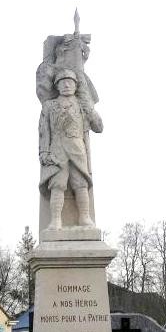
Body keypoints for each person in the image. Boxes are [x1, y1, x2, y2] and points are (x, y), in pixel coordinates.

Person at [38, 68, 103, 230]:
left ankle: (85, 218)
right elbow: (44, 131)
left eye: (70, 82)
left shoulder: (82, 105)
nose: (67, 85)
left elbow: (99, 127)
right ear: (57, 86)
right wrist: (44, 151)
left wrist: (91, 110)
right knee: (57, 185)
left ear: (76, 86)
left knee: (80, 184)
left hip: (77, 149)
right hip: (57, 150)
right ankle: (55, 221)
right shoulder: (49, 106)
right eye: (62, 82)